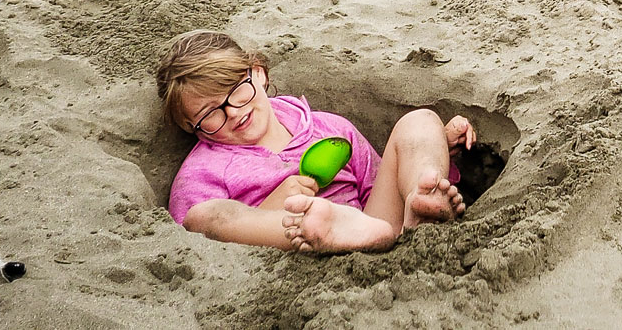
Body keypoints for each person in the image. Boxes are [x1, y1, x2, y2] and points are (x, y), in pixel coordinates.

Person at [155, 31, 475, 253]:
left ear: (258, 73)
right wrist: (274, 206)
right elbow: (193, 236)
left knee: (420, 122)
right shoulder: (203, 171)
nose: (234, 113)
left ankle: (424, 197)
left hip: (376, 230)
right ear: (190, 127)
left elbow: (379, 180)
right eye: (210, 114)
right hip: (290, 244)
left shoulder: (327, 128)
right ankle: (322, 227)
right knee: (203, 216)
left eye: (237, 91)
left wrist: (436, 146)